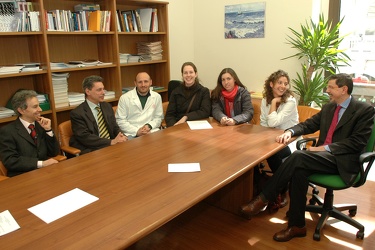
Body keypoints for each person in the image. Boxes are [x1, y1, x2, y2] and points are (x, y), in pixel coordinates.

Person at [240, 73, 375, 242]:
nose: (327, 90)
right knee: (299, 171)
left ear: (344, 89)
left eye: (331, 87)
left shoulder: (364, 110)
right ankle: (297, 226)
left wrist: (324, 148)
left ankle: (264, 199)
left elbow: (357, 143)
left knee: (298, 157)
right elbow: (309, 124)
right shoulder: (329, 107)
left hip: (343, 160)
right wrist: (290, 131)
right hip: (322, 157)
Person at [259, 70, 299, 208]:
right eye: (279, 83)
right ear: (271, 84)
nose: (283, 86)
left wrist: (275, 103)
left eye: (286, 84)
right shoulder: (265, 99)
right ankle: (259, 183)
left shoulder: (290, 101)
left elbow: (273, 122)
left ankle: (283, 189)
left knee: (272, 153)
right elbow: (263, 123)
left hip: (290, 139)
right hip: (271, 137)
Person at [0, 90, 60, 176]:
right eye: (35, 107)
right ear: (21, 110)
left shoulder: (41, 125)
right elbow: (11, 161)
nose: (40, 109)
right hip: (22, 176)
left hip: (45, 173)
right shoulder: (7, 131)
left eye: (39, 105)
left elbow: (54, 153)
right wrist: (41, 164)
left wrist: (48, 130)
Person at [70, 75, 127, 154]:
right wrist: (111, 142)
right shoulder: (77, 113)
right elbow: (85, 137)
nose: (103, 93)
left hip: (110, 146)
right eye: (99, 90)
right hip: (91, 149)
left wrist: (121, 136)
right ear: (88, 91)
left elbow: (114, 127)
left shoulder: (107, 106)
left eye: (103, 89)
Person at [116, 72, 163, 139]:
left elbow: (158, 117)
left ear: (150, 82)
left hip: (151, 131)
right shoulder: (124, 98)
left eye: (146, 81)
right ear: (135, 83)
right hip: (131, 134)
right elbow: (120, 121)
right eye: (140, 82)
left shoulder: (157, 96)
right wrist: (137, 131)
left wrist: (149, 126)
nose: (143, 85)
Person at [165, 62, 211, 127]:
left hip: (197, 126)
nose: (188, 75)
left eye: (191, 72)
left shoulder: (204, 91)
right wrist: (174, 127)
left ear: (196, 74)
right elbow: (169, 115)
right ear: (182, 75)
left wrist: (186, 117)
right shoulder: (175, 92)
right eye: (185, 73)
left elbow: (205, 112)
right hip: (178, 126)